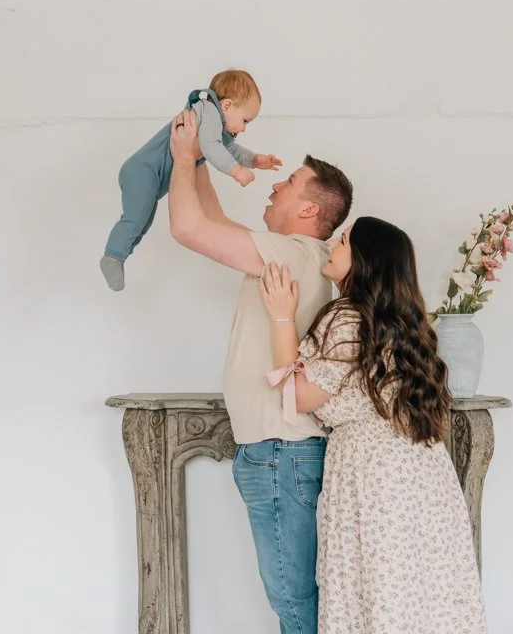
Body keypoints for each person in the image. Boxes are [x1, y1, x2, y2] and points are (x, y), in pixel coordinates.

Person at [167, 107, 354, 634]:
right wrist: (202, 155)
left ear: (309, 208)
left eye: (289, 184)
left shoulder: (294, 254)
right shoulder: (296, 253)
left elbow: (189, 228)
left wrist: (183, 158)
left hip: (281, 451)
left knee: (294, 600)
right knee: (296, 598)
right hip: (279, 452)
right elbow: (216, 224)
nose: (274, 189)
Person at [259, 217, 487, 634]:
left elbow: (302, 395)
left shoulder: (346, 317)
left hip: (374, 474)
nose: (332, 243)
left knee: (374, 593)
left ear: (363, 260)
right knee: (421, 596)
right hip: (423, 475)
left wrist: (280, 318)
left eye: (343, 240)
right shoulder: (410, 324)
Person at [99, 69, 281, 291]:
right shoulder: (207, 111)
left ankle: (120, 257)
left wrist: (254, 159)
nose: (243, 128)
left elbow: (229, 148)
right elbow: (211, 148)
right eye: (245, 120)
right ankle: (112, 257)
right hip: (142, 172)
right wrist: (236, 171)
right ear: (226, 106)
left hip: (149, 178)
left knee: (142, 222)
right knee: (135, 219)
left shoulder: (213, 121)